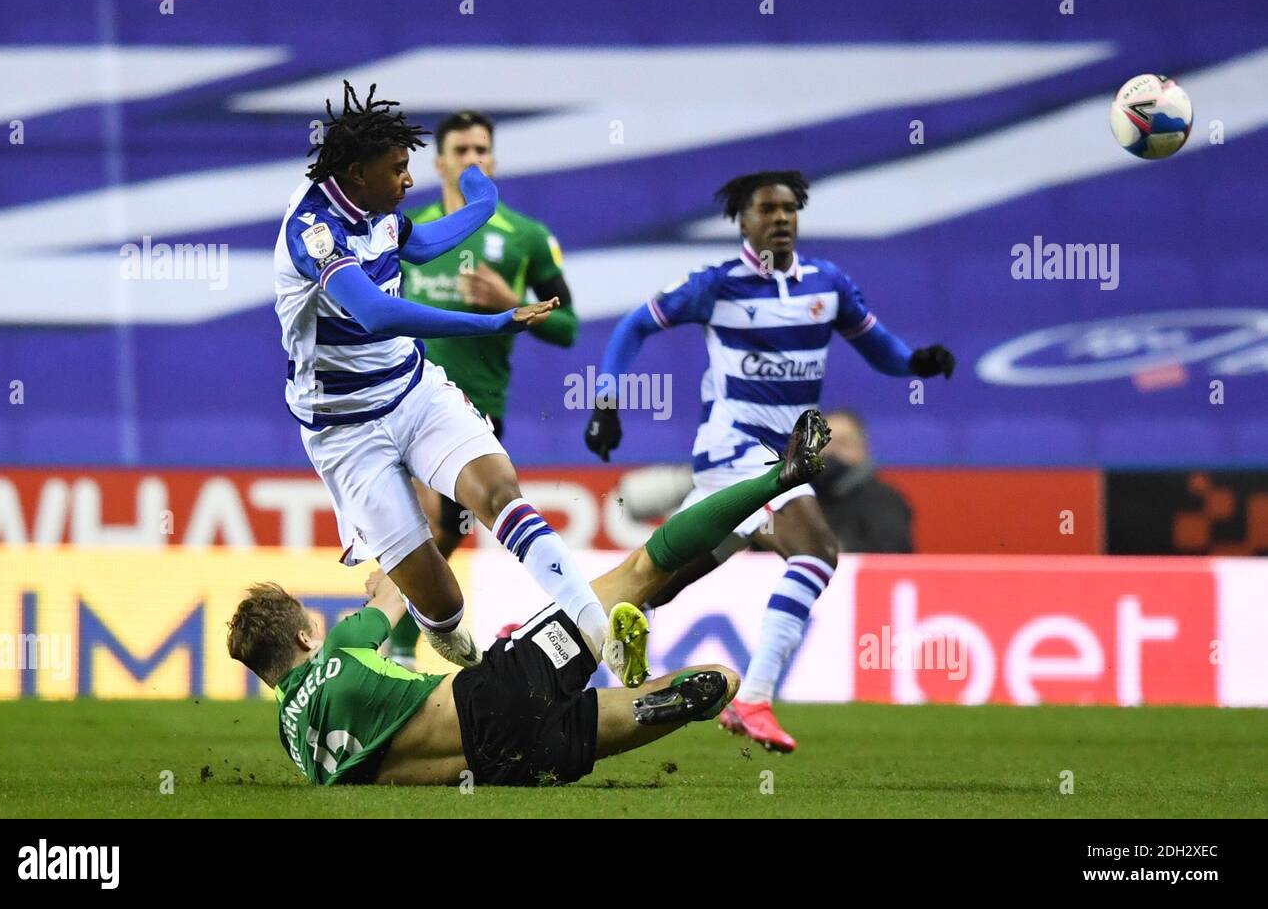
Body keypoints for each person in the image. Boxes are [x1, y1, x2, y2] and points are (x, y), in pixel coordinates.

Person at [226, 411, 830, 786]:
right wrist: (388, 535)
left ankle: (667, 693)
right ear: (308, 636)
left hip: (506, 767)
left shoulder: (294, 738)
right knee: (641, 569)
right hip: (497, 690)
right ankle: (777, 479)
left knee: (716, 680)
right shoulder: (341, 645)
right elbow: (403, 578)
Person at [274, 81, 640, 686]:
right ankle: (443, 632)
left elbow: (422, 243)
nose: (409, 182)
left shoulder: (375, 207)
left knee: (500, 493)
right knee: (439, 601)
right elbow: (377, 313)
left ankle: (600, 634)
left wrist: (481, 203)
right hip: (345, 430)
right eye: (397, 170)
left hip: (414, 389)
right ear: (358, 172)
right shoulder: (315, 231)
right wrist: (492, 320)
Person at [584, 171, 955, 752]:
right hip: (742, 450)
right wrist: (606, 401)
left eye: (789, 209)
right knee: (817, 553)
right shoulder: (717, 284)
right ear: (743, 220)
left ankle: (535, 642)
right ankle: (754, 698)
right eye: (767, 210)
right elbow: (634, 327)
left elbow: (879, 347)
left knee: (655, 584)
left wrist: (917, 364)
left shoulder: (827, 285)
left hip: (775, 458)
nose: (780, 218)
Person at [388, 109, 577, 666]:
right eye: (463, 151)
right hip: (401, 397)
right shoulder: (408, 231)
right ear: (440, 162)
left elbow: (568, 328)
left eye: (483, 151)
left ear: (493, 160)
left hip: (476, 406)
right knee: (418, 523)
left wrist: (506, 306)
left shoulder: (527, 238)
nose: (474, 160)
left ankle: (398, 634)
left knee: (444, 529)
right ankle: (395, 643)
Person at [810, 409, 913, 553]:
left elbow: (892, 553)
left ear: (862, 449)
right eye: (823, 443)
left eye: (842, 443)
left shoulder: (884, 500)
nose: (830, 451)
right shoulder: (797, 499)